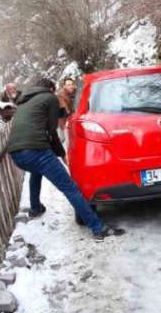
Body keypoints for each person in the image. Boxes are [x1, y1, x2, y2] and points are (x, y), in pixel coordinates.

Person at [7, 77, 125, 241]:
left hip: (15, 153)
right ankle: (98, 228)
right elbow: (52, 131)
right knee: (69, 188)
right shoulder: (50, 98)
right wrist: (62, 155)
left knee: (36, 172)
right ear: (51, 89)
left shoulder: (24, 101)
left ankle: (35, 208)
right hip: (36, 150)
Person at [55, 77, 77, 147]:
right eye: (68, 85)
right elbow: (64, 110)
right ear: (64, 86)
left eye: (71, 84)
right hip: (64, 121)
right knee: (67, 140)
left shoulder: (76, 92)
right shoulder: (61, 95)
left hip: (73, 118)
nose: (70, 86)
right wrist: (65, 125)